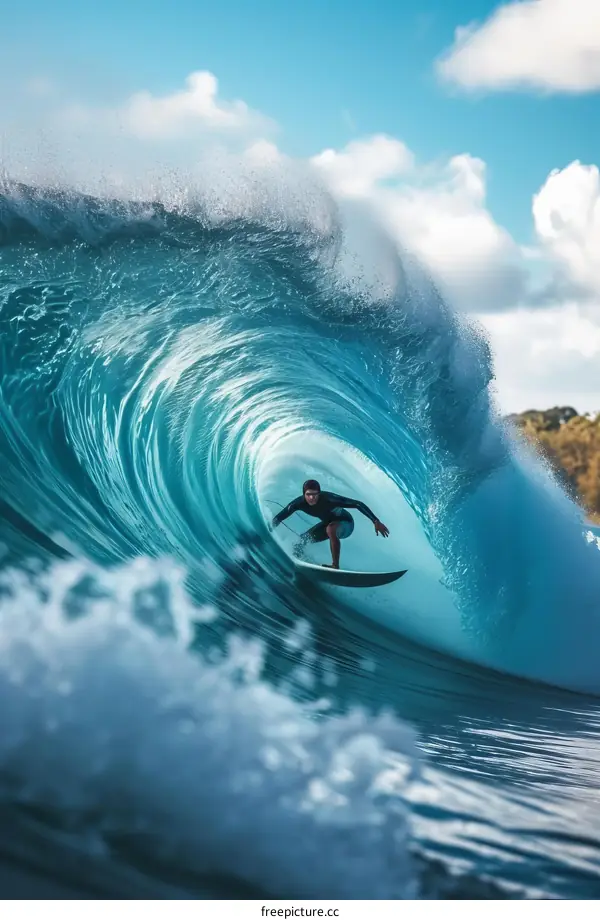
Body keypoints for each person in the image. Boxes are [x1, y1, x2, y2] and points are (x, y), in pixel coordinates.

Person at [271, 478, 389, 569]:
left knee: (330, 529)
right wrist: (268, 530)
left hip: (346, 524)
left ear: (319, 493)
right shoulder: (298, 504)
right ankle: (300, 562)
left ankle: (335, 565)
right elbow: (280, 517)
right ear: (304, 494)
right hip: (328, 524)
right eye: (308, 495)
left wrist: (375, 521)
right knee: (302, 541)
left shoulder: (329, 499)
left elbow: (358, 504)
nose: (312, 497)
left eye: (315, 494)